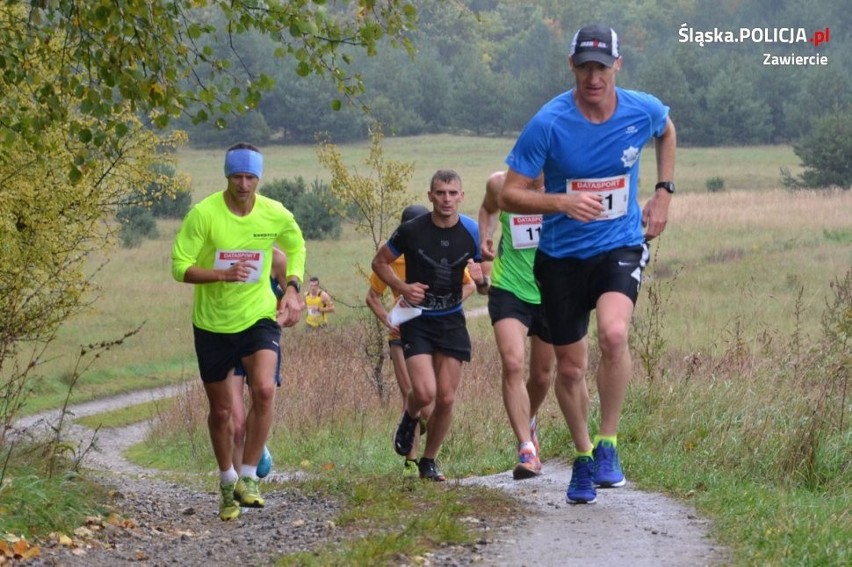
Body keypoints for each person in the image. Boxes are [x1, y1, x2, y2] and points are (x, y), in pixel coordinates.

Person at [499, 24, 676, 504]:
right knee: (571, 368)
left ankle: (608, 444)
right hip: (559, 258)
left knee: (615, 334)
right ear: (571, 67)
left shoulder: (641, 108)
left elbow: (666, 129)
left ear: (617, 65)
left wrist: (663, 192)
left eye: (601, 66)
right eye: (584, 67)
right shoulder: (549, 122)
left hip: (618, 245)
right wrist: (559, 203)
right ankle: (580, 457)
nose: (592, 77)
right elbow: (508, 193)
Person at [171, 142, 306, 520]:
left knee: (264, 388)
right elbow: (179, 266)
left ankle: (249, 477)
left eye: (250, 177)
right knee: (223, 412)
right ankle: (227, 482)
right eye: (236, 176)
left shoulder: (273, 213)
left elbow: (296, 247)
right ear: (227, 176)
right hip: (213, 324)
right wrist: (219, 274)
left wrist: (293, 288)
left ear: (259, 178)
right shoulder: (205, 214)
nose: (243, 184)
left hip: (259, 317)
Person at [371, 170, 486, 481]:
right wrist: (403, 287)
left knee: (446, 398)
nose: (446, 199)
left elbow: (485, 283)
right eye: (440, 193)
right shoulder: (411, 230)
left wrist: (482, 280)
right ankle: (410, 418)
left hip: (451, 320)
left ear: (461, 195)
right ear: (430, 196)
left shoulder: (472, 231)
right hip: (417, 319)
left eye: (452, 193)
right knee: (424, 394)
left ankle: (429, 460)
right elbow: (378, 263)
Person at [478, 171, 555, 480]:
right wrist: (485, 236)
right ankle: (526, 448)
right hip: (508, 286)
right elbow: (488, 208)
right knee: (512, 363)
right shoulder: (500, 183)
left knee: (540, 376)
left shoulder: (565, 183)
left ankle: (530, 417)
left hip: (551, 290)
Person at [229, 247, 288, 481]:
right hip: (226, 338)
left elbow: (291, 298)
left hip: (261, 340)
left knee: (261, 397)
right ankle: (238, 489)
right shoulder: (220, 250)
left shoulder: (277, 258)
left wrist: (279, 320)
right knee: (235, 424)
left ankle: (256, 445)